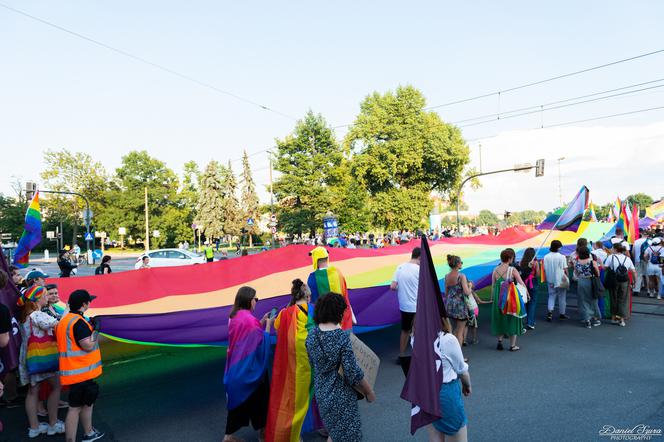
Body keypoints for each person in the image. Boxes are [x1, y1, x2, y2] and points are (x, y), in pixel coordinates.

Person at [305, 293, 376, 442]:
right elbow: (352, 373)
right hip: (341, 397)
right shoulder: (342, 337)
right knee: (349, 436)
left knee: (335, 432)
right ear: (337, 312)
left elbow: (312, 364)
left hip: (322, 394)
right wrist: (368, 391)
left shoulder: (311, 335)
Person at [265, 279, 321, 441]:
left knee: (292, 399)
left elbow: (277, 326)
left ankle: (290, 433)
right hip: (309, 362)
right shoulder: (314, 310)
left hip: (291, 363)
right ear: (308, 296)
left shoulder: (285, 312)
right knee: (304, 399)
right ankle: (295, 435)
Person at [223, 286, 273, 442]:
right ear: (249, 300)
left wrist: (261, 321)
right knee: (262, 401)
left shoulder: (234, 316)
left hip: (236, 368)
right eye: (255, 299)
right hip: (251, 369)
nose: (256, 302)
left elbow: (246, 337)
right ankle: (263, 434)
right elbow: (259, 342)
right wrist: (268, 326)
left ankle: (228, 437)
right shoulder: (250, 321)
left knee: (239, 404)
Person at [56, 289, 105, 442]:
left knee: (75, 407)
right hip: (82, 373)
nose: (90, 303)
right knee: (80, 407)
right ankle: (88, 434)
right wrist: (96, 330)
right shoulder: (78, 323)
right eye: (89, 301)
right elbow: (88, 345)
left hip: (72, 371)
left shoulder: (65, 320)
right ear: (84, 304)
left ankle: (80, 436)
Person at [17, 285, 64, 438]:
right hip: (43, 356)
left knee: (32, 392)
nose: (47, 297)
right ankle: (53, 424)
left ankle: (34, 428)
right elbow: (60, 324)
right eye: (44, 295)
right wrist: (69, 309)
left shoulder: (25, 316)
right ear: (37, 299)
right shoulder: (38, 315)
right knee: (56, 387)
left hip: (29, 357)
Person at [426, 316, 471, 442]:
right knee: (457, 432)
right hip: (444, 392)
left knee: (435, 433)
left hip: (427, 391)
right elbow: (462, 371)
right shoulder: (447, 339)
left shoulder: (416, 335)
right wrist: (467, 385)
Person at [307, 247, 354, 330]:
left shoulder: (312, 277)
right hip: (343, 320)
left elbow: (313, 302)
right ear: (327, 258)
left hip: (325, 324)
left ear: (315, 260)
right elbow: (345, 293)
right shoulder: (338, 272)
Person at [491, 249, 527, 351]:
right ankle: (512, 345)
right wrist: (526, 292)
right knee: (513, 317)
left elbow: (493, 286)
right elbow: (521, 283)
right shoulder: (512, 270)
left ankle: (500, 341)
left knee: (500, 318)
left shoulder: (495, 270)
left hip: (498, 297)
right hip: (509, 297)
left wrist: (493, 298)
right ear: (510, 258)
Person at [390, 247, 420, 360]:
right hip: (416, 305)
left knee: (405, 330)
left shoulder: (400, 267)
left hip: (404, 305)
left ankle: (401, 354)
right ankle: (418, 355)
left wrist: (402, 287)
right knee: (417, 330)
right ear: (420, 257)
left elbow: (392, 286)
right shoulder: (419, 270)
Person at [604, 244, 636, 327]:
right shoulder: (627, 258)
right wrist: (635, 282)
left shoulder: (611, 257)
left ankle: (613, 318)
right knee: (623, 299)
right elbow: (633, 271)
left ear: (615, 249)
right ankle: (622, 320)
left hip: (614, 280)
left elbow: (605, 268)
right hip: (625, 281)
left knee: (613, 298)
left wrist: (601, 263)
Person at [443, 255, 472, 346]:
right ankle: (459, 357)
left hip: (449, 305)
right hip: (460, 305)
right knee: (460, 331)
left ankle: (450, 351)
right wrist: (470, 285)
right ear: (458, 264)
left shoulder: (447, 276)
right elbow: (467, 292)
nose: (461, 264)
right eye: (461, 262)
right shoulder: (461, 276)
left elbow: (446, 294)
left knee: (452, 330)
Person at [573, 246, 602, 328]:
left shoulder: (577, 262)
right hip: (591, 281)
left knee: (583, 300)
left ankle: (587, 319)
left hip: (581, 281)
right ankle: (595, 318)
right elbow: (598, 273)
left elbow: (576, 273)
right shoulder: (592, 262)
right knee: (593, 299)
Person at [543, 240, 569, 322]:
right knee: (562, 297)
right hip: (560, 279)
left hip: (550, 279)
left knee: (551, 296)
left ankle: (550, 312)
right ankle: (562, 313)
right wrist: (567, 277)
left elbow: (544, 269)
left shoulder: (546, 257)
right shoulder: (562, 257)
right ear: (558, 247)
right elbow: (565, 269)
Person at [518, 247, 540, 330]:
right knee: (532, 302)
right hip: (533, 283)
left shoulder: (521, 262)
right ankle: (530, 322)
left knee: (525, 301)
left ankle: (523, 320)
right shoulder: (535, 263)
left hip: (523, 283)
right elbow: (537, 274)